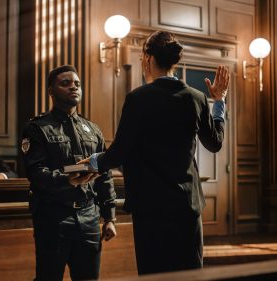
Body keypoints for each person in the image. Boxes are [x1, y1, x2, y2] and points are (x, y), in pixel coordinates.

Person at [80, 30, 229, 275]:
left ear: (148, 58)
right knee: (190, 274)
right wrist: (220, 101)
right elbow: (215, 143)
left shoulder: (138, 99)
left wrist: (91, 163)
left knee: (154, 274)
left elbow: (118, 153)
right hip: (186, 206)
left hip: (151, 208)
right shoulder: (197, 98)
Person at [21, 65, 117, 281]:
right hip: (53, 217)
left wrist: (110, 217)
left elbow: (105, 176)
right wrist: (67, 180)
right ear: (51, 91)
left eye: (77, 84)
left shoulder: (93, 130)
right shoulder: (38, 128)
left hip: (89, 217)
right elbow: (35, 173)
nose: (73, 87)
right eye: (65, 83)